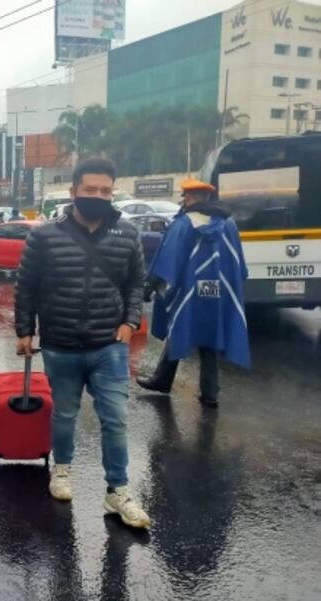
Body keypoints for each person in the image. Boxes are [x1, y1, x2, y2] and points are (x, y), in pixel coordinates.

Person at [15, 158, 150, 529]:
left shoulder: (127, 234)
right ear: (73, 192)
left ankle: (117, 491)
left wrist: (130, 321)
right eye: (90, 190)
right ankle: (61, 470)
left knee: (116, 420)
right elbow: (26, 286)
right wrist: (24, 331)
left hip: (110, 344)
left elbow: (136, 283)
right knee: (65, 413)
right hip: (60, 343)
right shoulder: (44, 236)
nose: (98, 196)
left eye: (105, 191)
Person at [137, 179, 250, 407]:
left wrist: (149, 287)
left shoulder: (185, 222)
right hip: (219, 291)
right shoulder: (229, 223)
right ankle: (210, 394)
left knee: (179, 328)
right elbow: (238, 262)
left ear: (188, 197)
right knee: (210, 339)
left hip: (191, 292)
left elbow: (169, 260)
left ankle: (161, 380)